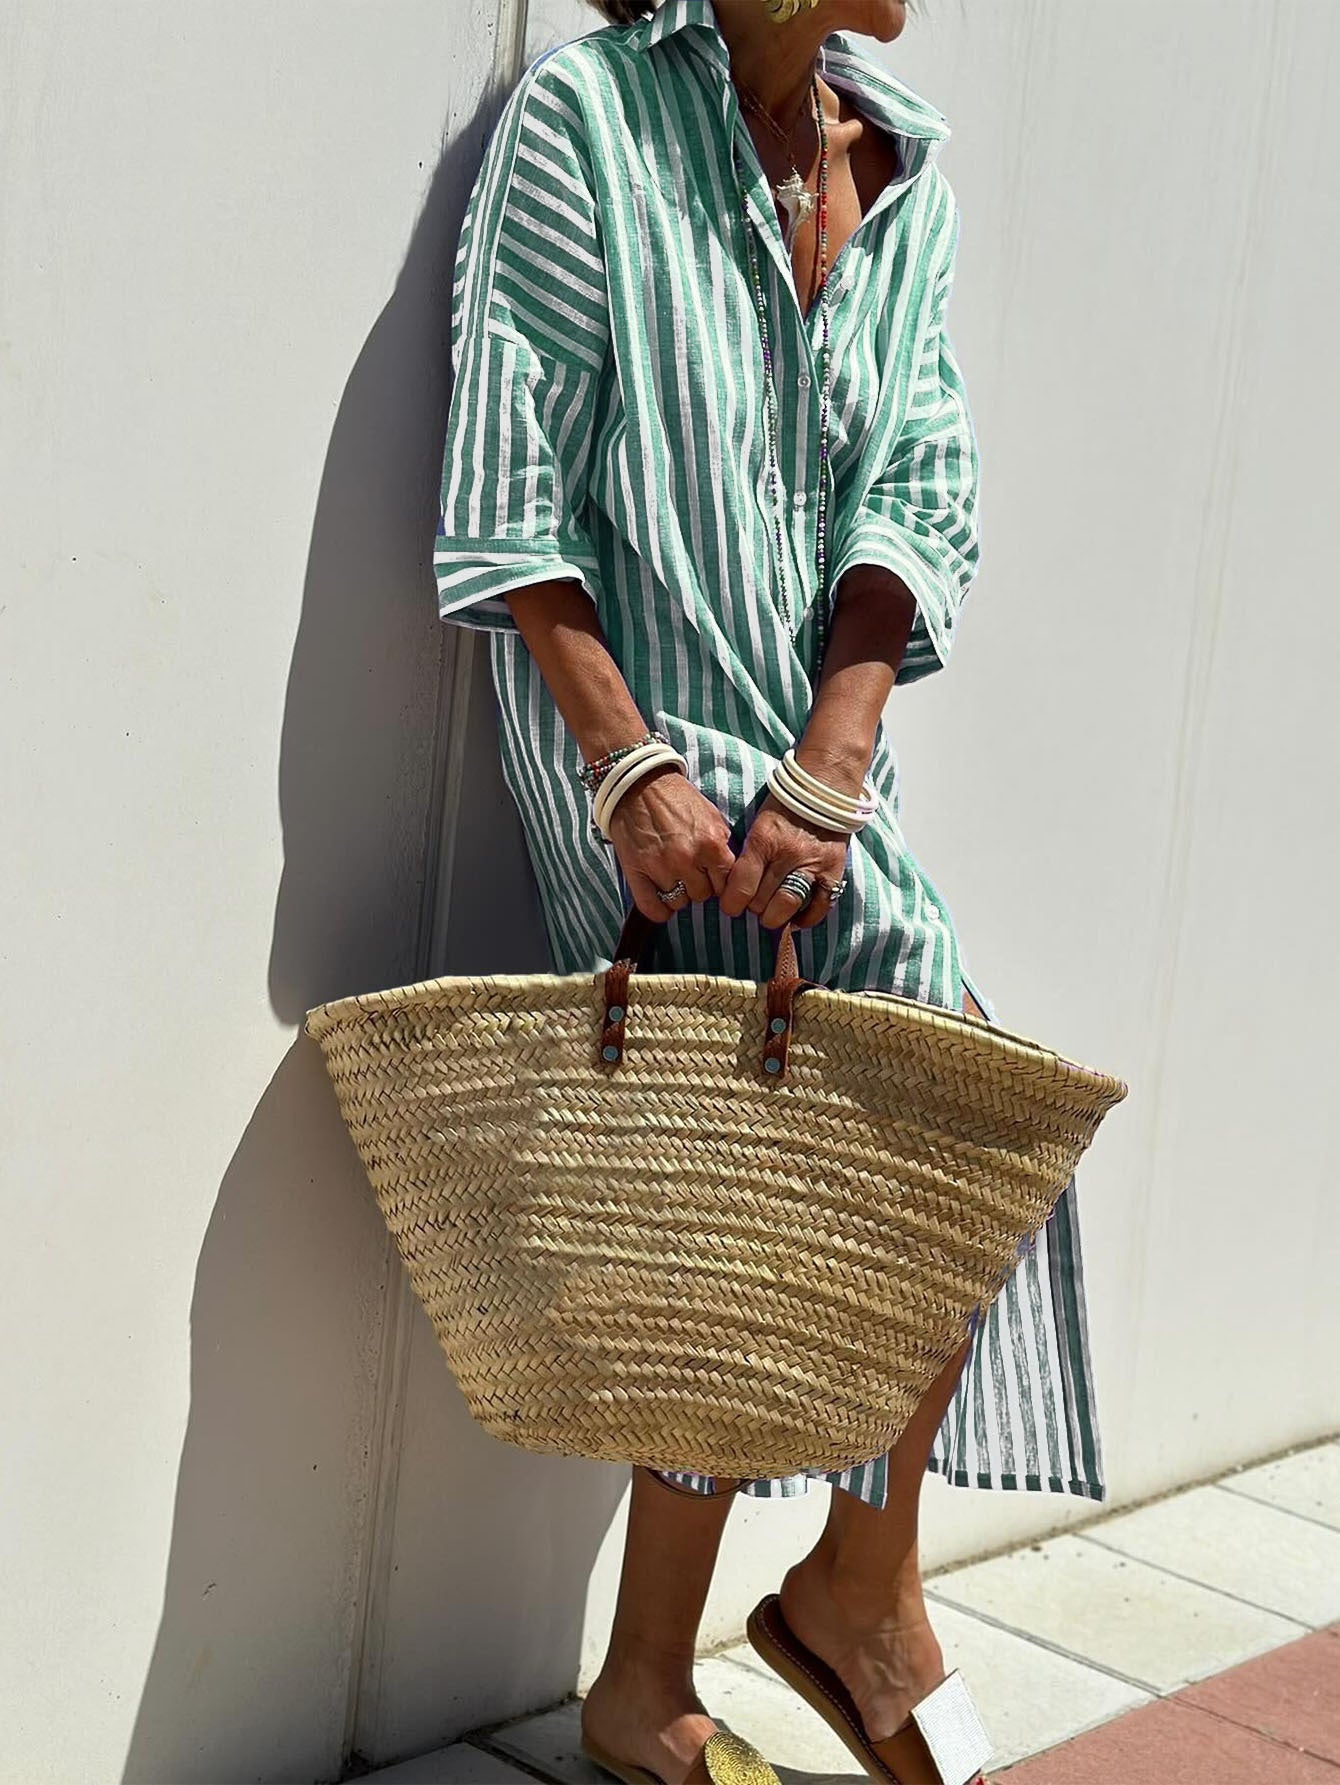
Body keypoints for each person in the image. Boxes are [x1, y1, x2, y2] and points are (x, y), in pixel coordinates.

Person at [433, 2, 1104, 1780]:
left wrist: (840, 744)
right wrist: (627, 766)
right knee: (770, 1147)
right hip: (639, 752)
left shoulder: (907, 170)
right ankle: (799, 1618)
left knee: (883, 1124)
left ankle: (751, 1627)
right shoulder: (590, 120)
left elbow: (920, 484)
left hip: (811, 762)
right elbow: (509, 492)